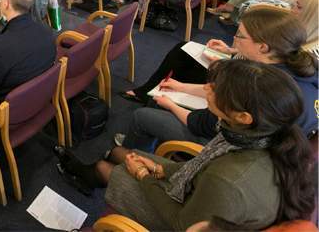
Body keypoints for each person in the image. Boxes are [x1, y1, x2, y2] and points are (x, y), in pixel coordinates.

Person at [56, 59, 316, 231]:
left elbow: (182, 223)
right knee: (124, 153)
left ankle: (87, 176)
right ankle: (89, 175)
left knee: (119, 168)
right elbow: (201, 167)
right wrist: (160, 171)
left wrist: (146, 177)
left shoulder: (230, 177)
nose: (208, 88)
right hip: (200, 191)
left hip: (184, 219)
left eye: (217, 89)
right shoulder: (254, 134)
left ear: (243, 116)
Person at [118, 8, 318, 148]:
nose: (234, 39)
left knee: (142, 115)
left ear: (263, 47)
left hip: (232, 147)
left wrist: (170, 104)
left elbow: (202, 124)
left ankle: (130, 154)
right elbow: (218, 91)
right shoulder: (300, 66)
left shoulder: (254, 83)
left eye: (240, 36)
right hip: (268, 144)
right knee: (162, 97)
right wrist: (180, 87)